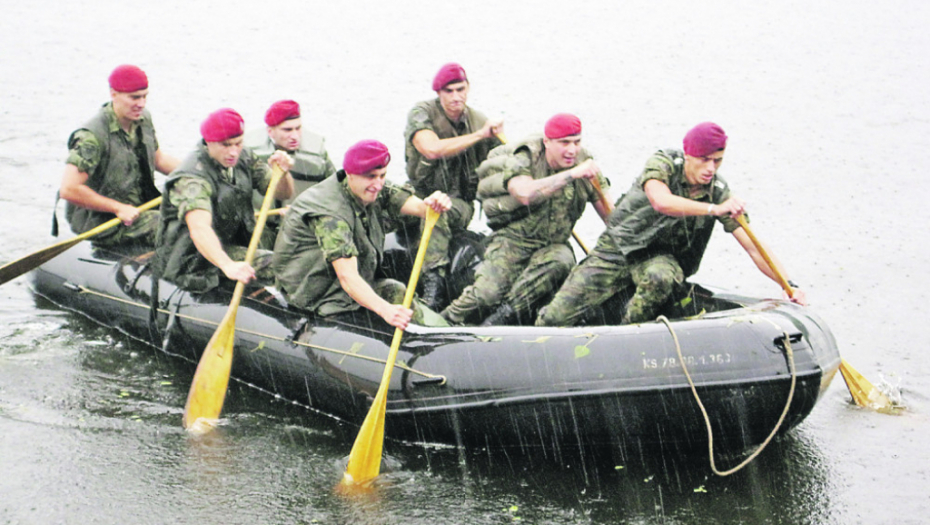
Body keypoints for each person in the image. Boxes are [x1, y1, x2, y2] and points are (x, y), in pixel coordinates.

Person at [536, 122, 808, 327]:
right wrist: (713, 209)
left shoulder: (718, 192)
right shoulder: (664, 164)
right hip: (618, 249)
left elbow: (753, 247)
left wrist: (787, 284)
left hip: (660, 258)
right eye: (704, 160)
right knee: (555, 317)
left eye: (717, 161)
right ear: (689, 155)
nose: (710, 168)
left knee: (660, 277)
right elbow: (660, 201)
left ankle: (627, 334)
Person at [440, 113, 611, 326]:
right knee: (487, 294)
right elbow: (524, 193)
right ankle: (444, 321)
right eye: (564, 143)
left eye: (577, 142)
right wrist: (572, 174)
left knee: (562, 260)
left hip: (553, 244)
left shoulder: (585, 164)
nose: (571, 150)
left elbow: (610, 216)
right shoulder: (526, 156)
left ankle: (501, 319)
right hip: (514, 240)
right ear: (547, 142)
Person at [273, 140, 451, 330]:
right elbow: (347, 277)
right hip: (317, 292)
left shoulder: (372, 188)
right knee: (387, 297)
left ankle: (443, 331)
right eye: (371, 177)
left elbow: (419, 207)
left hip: (341, 282)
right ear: (350, 175)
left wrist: (433, 204)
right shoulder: (330, 214)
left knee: (396, 290)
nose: (378, 184)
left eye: (382, 176)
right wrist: (385, 310)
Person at [154, 108, 295, 293]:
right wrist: (228, 265)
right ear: (209, 142)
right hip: (194, 258)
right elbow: (199, 228)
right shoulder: (192, 180)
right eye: (226, 145)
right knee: (282, 266)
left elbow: (283, 193)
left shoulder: (242, 157)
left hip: (232, 240)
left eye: (238, 143)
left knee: (298, 254)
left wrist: (283, 173)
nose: (233, 152)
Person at [404, 62, 504, 310]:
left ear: (468, 88)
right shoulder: (422, 113)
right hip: (418, 193)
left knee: (436, 211)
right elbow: (431, 148)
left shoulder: (479, 121)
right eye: (449, 91)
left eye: (461, 89)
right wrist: (480, 135)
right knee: (384, 207)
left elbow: (503, 164)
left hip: (456, 202)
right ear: (438, 93)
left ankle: (433, 285)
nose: (456, 97)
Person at [59, 64, 179, 247]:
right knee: (176, 228)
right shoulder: (91, 137)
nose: (141, 104)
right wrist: (118, 208)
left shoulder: (142, 119)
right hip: (103, 220)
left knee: (194, 211)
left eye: (145, 96)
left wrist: (194, 174)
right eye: (134, 98)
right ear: (114, 94)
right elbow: (69, 189)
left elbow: (158, 159)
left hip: (140, 208)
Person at [244, 99, 336, 247]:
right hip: (261, 226)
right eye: (287, 130)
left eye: (298, 128)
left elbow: (335, 188)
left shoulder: (317, 152)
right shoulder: (247, 152)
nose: (295, 136)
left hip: (302, 226)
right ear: (270, 131)